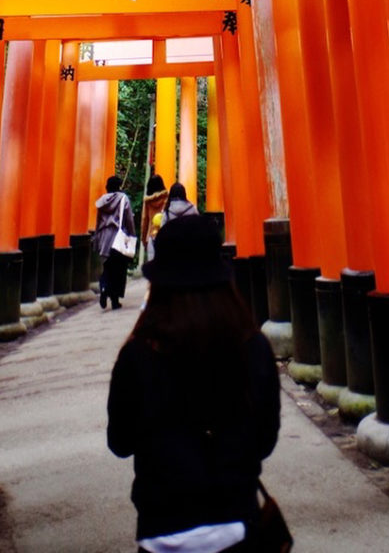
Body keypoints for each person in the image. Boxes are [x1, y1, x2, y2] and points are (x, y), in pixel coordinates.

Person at [108, 214, 281, 553]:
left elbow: (120, 442)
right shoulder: (253, 346)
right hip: (235, 522)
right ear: (221, 274)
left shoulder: (138, 353)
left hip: (162, 528)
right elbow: (265, 440)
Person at [93, 175, 135, 310]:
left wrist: (97, 239)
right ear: (119, 186)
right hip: (118, 237)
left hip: (105, 237)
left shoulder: (102, 201)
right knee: (119, 269)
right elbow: (128, 219)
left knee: (108, 267)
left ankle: (104, 288)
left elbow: (98, 222)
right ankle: (115, 301)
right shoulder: (123, 199)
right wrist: (132, 235)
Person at [141, 173, 169, 261]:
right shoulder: (167, 198)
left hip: (151, 234)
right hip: (165, 234)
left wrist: (143, 239)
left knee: (152, 264)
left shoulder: (147, 202)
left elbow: (144, 220)